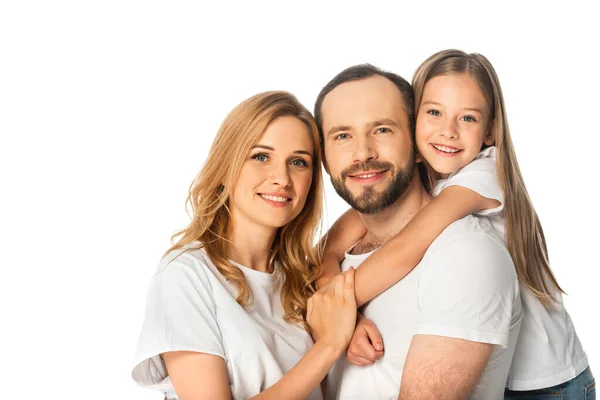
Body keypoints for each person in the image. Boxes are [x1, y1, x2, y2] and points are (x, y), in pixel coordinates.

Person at [319, 50, 595, 398]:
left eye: (467, 118)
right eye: (434, 112)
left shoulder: (481, 174)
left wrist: (332, 314)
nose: (448, 132)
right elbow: (331, 244)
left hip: (550, 383)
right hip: (504, 371)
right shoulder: (428, 176)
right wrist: (338, 300)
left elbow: (405, 249)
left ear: (490, 131)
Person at [314, 63, 523, 399]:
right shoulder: (336, 253)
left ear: (417, 142)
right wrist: (339, 315)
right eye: (342, 135)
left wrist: (336, 315)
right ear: (324, 157)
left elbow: (403, 250)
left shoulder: (464, 253)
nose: (363, 153)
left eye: (382, 130)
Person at [131, 91, 358, 400]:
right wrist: (329, 346)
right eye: (261, 156)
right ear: (227, 166)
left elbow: (373, 214)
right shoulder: (186, 274)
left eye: (298, 162)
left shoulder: (300, 278)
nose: (282, 178)